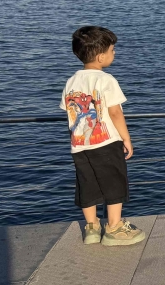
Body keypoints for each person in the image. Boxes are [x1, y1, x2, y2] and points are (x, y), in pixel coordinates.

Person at [60, 27, 145, 246]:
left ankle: (91, 228)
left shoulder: (71, 81)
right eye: (112, 50)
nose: (114, 54)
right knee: (114, 182)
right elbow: (115, 113)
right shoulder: (106, 80)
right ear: (101, 56)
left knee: (86, 183)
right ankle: (114, 228)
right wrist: (126, 138)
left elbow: (69, 110)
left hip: (79, 144)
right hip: (106, 142)